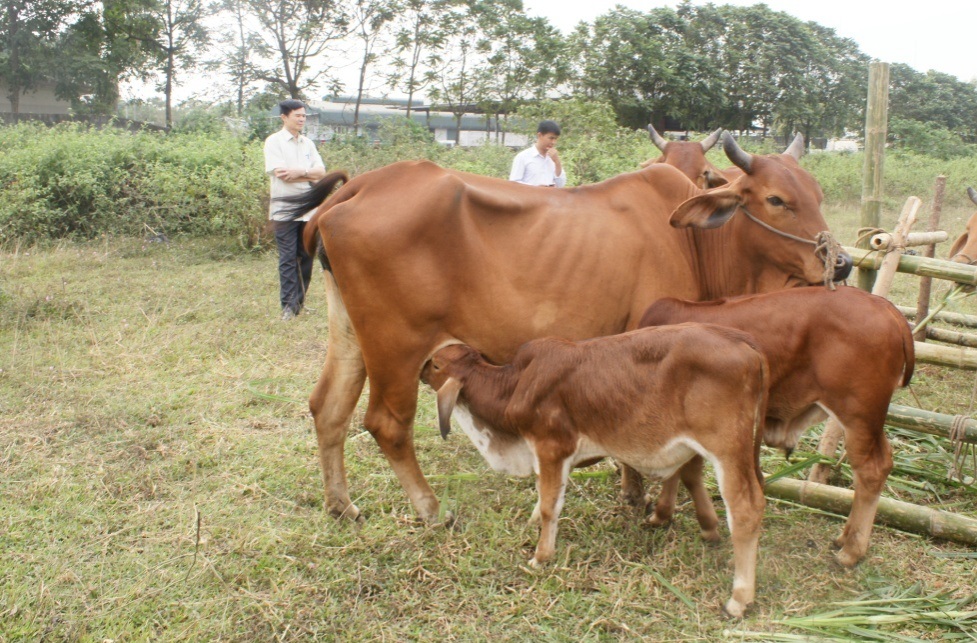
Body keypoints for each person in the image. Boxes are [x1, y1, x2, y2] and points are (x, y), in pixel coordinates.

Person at [264, 99, 327, 321]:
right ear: (284, 117)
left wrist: (300, 171)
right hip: (284, 209)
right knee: (288, 258)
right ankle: (288, 307)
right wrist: (309, 173)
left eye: (303, 116)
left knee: (306, 256)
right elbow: (282, 174)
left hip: (308, 210)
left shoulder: (308, 144)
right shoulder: (274, 142)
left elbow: (321, 173)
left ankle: (299, 303)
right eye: (297, 115)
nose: (301, 119)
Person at [509, 120, 566, 187]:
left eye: (556, 139)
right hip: (529, 197)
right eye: (551, 138)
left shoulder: (553, 158)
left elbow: (561, 185)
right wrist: (537, 189)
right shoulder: (523, 157)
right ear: (540, 135)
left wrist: (557, 162)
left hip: (549, 196)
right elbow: (513, 184)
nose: (553, 142)